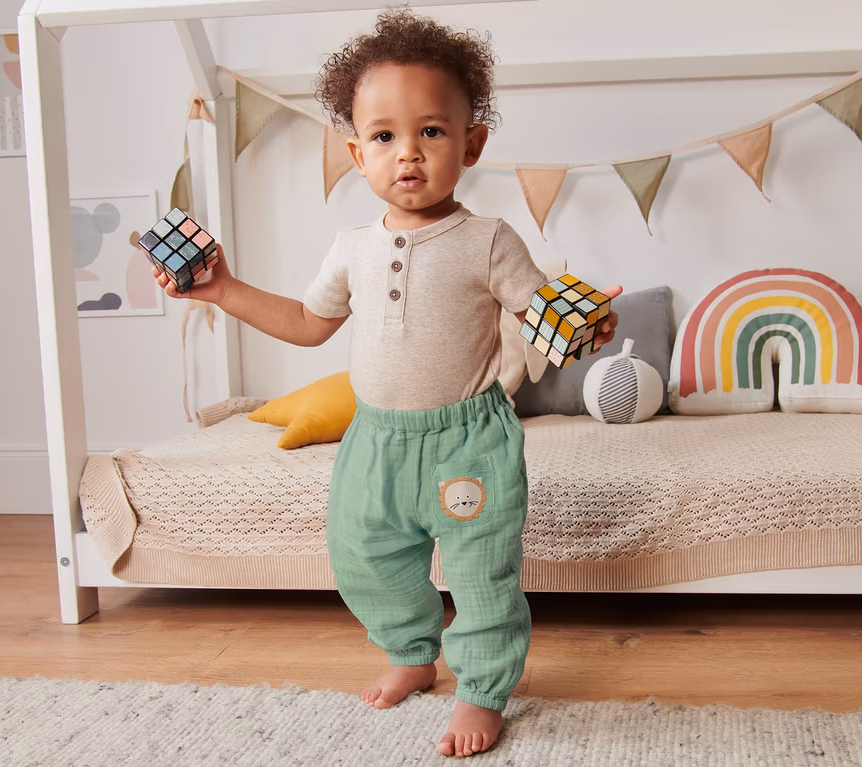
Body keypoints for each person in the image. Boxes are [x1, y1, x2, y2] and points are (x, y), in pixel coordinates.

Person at [153, 7, 621, 758]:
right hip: (374, 439)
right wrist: (223, 290)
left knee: (481, 572)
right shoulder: (351, 248)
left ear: (471, 144)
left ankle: (482, 688)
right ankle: (411, 650)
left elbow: (544, 320)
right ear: (356, 153)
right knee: (364, 557)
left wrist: (585, 326)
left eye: (431, 131)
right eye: (383, 136)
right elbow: (308, 323)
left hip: (467, 442)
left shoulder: (489, 240)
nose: (408, 153)